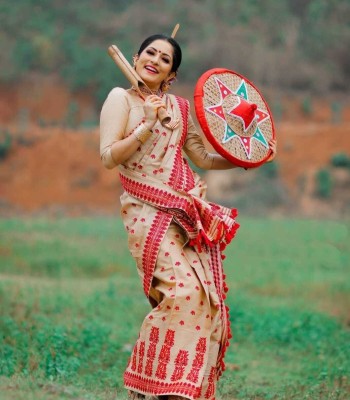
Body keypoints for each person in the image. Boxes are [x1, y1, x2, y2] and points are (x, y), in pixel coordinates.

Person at [100, 33, 277, 400]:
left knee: (206, 300)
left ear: (172, 74)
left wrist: (251, 157)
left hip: (186, 213)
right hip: (147, 212)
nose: (155, 60)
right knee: (183, 293)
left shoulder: (179, 108)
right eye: (150, 52)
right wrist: (147, 123)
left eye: (165, 59)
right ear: (135, 57)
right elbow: (108, 157)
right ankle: (152, 386)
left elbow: (203, 158)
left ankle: (177, 389)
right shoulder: (121, 99)